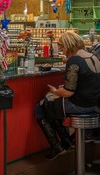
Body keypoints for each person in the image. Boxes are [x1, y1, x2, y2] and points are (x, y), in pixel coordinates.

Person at [34, 31, 100, 160]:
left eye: (62, 47)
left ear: (68, 46)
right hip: (93, 104)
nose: (62, 51)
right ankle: (66, 142)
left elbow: (68, 92)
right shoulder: (93, 57)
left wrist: (55, 91)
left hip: (79, 105)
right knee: (54, 106)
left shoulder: (74, 60)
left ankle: (57, 147)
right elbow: (85, 83)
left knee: (41, 106)